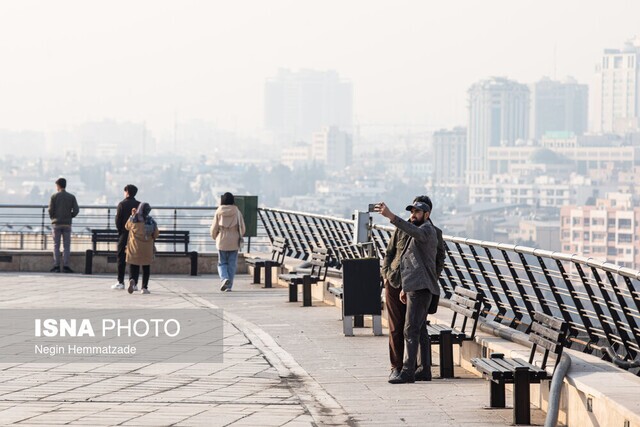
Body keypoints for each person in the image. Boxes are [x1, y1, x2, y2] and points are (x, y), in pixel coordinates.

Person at [381, 196, 446, 382]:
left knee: (411, 329)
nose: (413, 214)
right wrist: (388, 274)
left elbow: (438, 259)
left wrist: (391, 216)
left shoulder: (427, 230)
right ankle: (420, 369)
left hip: (420, 286)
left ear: (427, 214)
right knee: (411, 328)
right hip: (402, 282)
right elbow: (393, 253)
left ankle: (408, 371)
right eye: (412, 211)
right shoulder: (411, 230)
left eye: (417, 211)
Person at [210, 192, 245, 292]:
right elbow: (242, 227)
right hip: (234, 241)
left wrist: (214, 236)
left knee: (222, 263)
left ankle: (224, 279)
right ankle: (229, 286)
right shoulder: (237, 211)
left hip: (222, 240)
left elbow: (214, 228)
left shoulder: (218, 211)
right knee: (232, 264)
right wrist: (240, 235)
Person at [125, 202, 159, 294]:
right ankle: (144, 288)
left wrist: (132, 215)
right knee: (146, 268)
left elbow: (126, 227)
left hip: (134, 248)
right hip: (147, 249)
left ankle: (133, 281)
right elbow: (156, 234)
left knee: (133, 265)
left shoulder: (133, 220)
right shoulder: (151, 221)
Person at [48, 178, 80, 273]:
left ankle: (56, 266)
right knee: (66, 246)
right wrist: (70, 216)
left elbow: (50, 210)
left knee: (56, 245)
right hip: (67, 224)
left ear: (58, 186)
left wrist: (53, 217)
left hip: (56, 224)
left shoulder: (54, 196)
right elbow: (76, 210)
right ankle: (66, 266)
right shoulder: (71, 197)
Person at [112, 184, 139, 290]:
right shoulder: (139, 205)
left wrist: (121, 232)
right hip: (135, 236)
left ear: (127, 192)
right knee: (134, 259)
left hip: (124, 234)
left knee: (121, 258)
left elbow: (118, 221)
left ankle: (120, 281)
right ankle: (134, 282)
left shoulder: (122, 204)